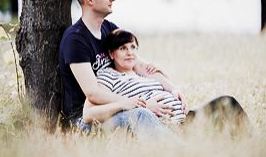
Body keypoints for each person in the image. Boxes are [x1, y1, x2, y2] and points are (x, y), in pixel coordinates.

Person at [59, 0, 178, 135]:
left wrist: (173, 89)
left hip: (123, 108)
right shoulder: (75, 39)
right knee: (142, 115)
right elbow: (93, 93)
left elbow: (140, 65)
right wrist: (137, 103)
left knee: (219, 105)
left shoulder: (109, 28)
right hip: (87, 119)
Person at [83, 29, 251, 136]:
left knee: (227, 102)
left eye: (133, 47)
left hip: (187, 121)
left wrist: (175, 92)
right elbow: (89, 114)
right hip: (164, 128)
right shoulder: (107, 76)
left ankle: (252, 146)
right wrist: (138, 106)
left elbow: (167, 83)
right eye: (123, 48)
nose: (130, 53)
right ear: (112, 54)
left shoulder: (142, 72)